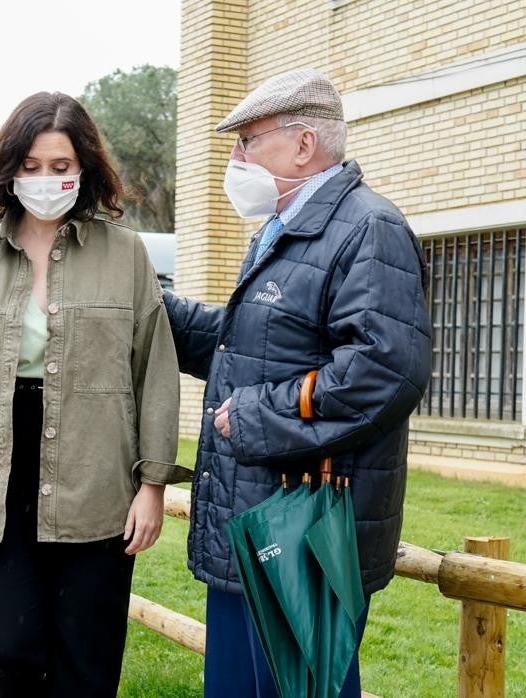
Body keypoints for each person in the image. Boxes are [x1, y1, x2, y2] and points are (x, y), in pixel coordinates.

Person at [0, 92, 188, 698]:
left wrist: (153, 485)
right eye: (30, 166)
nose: (44, 179)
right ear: (8, 170)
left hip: (96, 478)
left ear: (83, 169)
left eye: (60, 167)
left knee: (86, 657)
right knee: (9, 647)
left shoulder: (126, 254)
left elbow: (154, 370)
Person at [163, 68, 432, 697]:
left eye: (248, 142)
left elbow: (385, 371)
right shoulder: (281, 233)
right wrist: (150, 308)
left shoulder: (369, 228)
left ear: (303, 144)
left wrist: (259, 415)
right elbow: (247, 349)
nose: (237, 159)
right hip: (253, 520)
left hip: (306, 532)